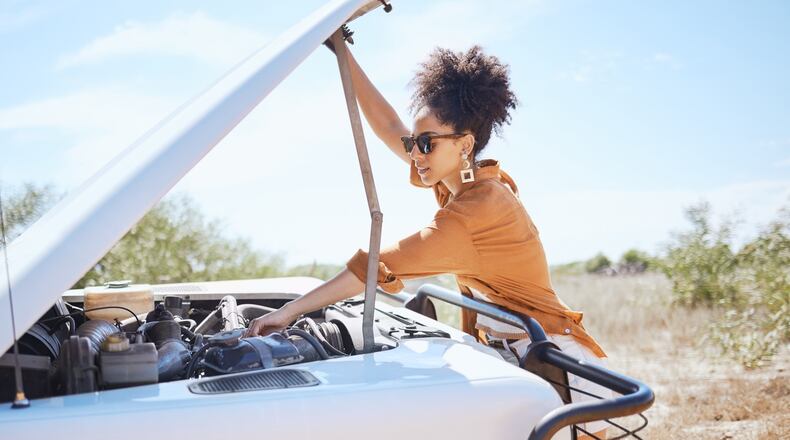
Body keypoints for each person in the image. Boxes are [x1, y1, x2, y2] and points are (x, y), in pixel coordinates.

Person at [245, 43, 611, 439]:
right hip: (520, 358)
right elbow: (389, 126)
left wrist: (289, 312)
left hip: (562, 373)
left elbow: (376, 265)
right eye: (413, 144)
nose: (415, 153)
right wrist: (343, 53)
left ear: (465, 144)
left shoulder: (476, 211)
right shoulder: (461, 183)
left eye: (426, 144)